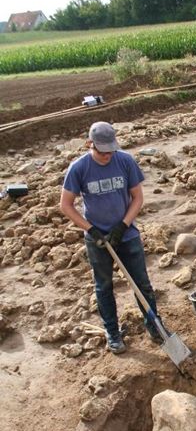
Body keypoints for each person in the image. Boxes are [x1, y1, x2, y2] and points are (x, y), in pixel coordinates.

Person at [60, 121, 164, 355]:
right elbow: (66, 205)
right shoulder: (79, 168)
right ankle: (112, 332)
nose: (107, 156)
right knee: (104, 286)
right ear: (90, 144)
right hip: (97, 240)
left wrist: (123, 225)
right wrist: (91, 229)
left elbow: (137, 197)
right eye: (102, 151)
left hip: (126, 235)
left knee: (142, 284)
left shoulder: (125, 161)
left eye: (110, 150)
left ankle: (154, 325)